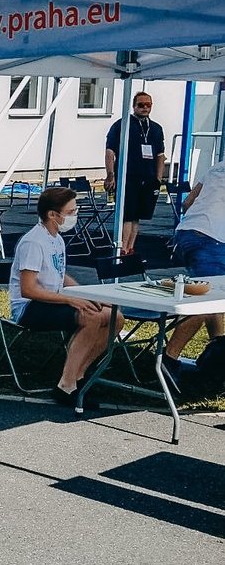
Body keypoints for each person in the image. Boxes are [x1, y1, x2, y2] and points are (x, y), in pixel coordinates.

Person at [9, 186, 122, 408]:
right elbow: (28, 290)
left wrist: (85, 295)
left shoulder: (56, 239)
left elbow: (59, 275)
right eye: (70, 212)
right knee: (90, 317)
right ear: (53, 215)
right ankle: (67, 384)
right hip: (30, 306)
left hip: (52, 299)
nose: (75, 216)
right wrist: (71, 300)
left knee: (115, 317)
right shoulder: (34, 242)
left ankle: (78, 374)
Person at [161, 159, 225, 380]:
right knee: (207, 300)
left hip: (189, 232)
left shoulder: (217, 166)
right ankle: (168, 359)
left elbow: (188, 202)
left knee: (213, 296)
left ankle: (218, 347)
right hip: (212, 238)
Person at [104, 91, 166, 255]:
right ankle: (122, 247)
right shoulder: (122, 125)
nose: (145, 108)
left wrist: (158, 178)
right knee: (127, 214)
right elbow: (110, 151)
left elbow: (160, 155)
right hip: (127, 177)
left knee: (138, 215)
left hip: (148, 177)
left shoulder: (156, 129)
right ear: (134, 106)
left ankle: (131, 246)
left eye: (148, 105)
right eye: (141, 105)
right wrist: (111, 175)